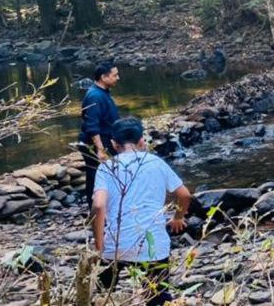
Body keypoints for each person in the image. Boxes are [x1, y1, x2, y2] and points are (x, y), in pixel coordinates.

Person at [92, 118, 191, 306]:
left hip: (116, 244)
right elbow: (185, 195)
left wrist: (99, 244)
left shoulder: (106, 167)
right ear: (141, 141)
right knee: (157, 296)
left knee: (102, 293)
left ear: (113, 144)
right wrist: (178, 217)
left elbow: (98, 206)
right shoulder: (157, 163)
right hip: (153, 246)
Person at [80, 63, 121, 207]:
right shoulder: (95, 96)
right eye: (115, 75)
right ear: (104, 77)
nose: (118, 78)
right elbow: (92, 126)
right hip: (97, 142)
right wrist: (100, 149)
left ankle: (107, 206)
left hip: (106, 140)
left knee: (106, 175)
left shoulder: (102, 93)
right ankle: (95, 210)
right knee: (96, 176)